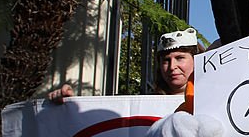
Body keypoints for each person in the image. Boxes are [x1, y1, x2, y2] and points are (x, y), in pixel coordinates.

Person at [48, 27, 201, 102]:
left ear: (197, 60)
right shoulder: (143, 104)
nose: (172, 66)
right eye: (166, 60)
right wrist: (69, 104)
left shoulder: (213, 102)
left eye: (180, 58)